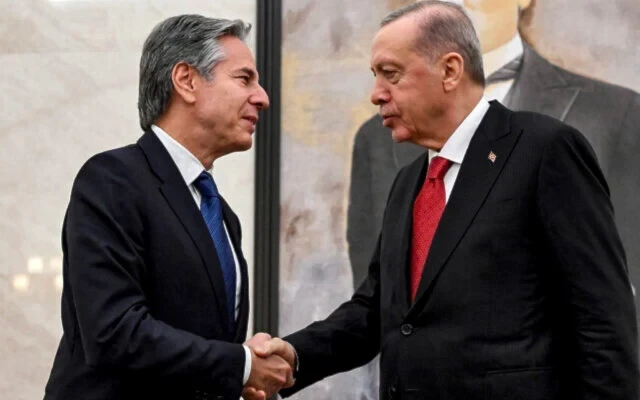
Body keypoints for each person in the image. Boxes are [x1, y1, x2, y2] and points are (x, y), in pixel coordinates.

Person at [250, 1, 639, 399]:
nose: (376, 94)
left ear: (450, 70)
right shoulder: (408, 183)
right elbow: (374, 310)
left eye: (391, 74)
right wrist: (294, 356)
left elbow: (603, 320)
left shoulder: (545, 150)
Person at [43, 14, 292, 400]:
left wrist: (237, 379)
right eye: (244, 79)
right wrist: (240, 366)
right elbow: (113, 330)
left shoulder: (223, 216)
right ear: (186, 81)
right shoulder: (112, 179)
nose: (263, 97)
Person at [347, 1, 640, 322]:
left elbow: (618, 295)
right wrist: (297, 354)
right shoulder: (376, 139)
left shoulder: (616, 114)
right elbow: (376, 305)